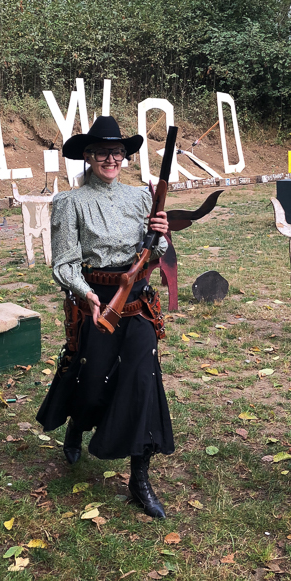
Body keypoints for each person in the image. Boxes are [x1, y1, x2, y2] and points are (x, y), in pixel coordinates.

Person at [37, 116, 175, 519]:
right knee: (92, 384)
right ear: (88, 156)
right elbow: (64, 263)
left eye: (117, 152)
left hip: (137, 304)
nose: (111, 158)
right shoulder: (70, 202)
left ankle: (139, 478)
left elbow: (154, 251)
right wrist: (86, 295)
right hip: (95, 302)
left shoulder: (141, 198)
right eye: (102, 152)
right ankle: (78, 424)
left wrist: (160, 234)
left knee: (142, 380)